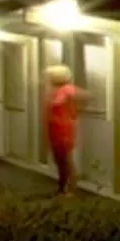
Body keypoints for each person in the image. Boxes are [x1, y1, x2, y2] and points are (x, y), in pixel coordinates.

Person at [44, 63, 82, 196]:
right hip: (54, 128)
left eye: (50, 77)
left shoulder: (67, 89)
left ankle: (72, 188)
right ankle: (62, 187)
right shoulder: (55, 90)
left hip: (63, 128)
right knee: (59, 159)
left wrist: (73, 112)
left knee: (66, 159)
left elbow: (83, 97)